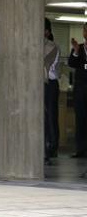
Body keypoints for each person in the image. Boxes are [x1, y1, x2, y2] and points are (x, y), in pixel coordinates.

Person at [67, 22, 87, 159]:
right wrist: (75, 52)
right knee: (80, 120)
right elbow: (72, 64)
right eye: (85, 30)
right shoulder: (78, 48)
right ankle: (80, 149)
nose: (86, 33)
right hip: (80, 90)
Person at [43, 18, 60, 165]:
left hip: (50, 84)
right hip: (39, 84)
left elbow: (47, 68)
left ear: (47, 32)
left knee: (50, 116)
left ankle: (51, 147)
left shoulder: (52, 47)